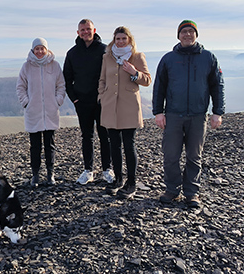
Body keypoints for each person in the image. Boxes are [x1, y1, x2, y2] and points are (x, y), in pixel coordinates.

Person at [152, 20, 225, 207]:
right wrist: (158, 112)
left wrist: (217, 112)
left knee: (194, 156)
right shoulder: (168, 59)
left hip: (198, 115)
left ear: (196, 35)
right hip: (174, 115)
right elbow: (159, 87)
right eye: (183, 32)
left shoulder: (208, 58)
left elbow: (217, 86)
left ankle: (192, 192)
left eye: (191, 31)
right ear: (178, 36)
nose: (187, 34)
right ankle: (171, 190)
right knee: (170, 155)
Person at [98, 26, 151, 199]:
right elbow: (103, 79)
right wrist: (102, 95)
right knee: (114, 144)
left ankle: (131, 182)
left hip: (129, 107)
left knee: (129, 144)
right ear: (114, 39)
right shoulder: (107, 57)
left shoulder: (137, 56)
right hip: (110, 106)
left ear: (129, 39)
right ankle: (118, 179)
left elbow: (147, 80)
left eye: (123, 38)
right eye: (118, 39)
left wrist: (134, 73)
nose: (120, 41)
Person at [63, 19, 113, 185]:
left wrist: (107, 97)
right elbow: (67, 78)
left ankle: (107, 169)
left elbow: (112, 74)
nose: (85, 32)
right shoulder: (72, 53)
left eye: (88, 29)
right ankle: (88, 170)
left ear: (94, 30)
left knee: (104, 135)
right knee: (87, 136)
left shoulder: (105, 50)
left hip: (102, 101)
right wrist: (74, 99)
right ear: (78, 33)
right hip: (82, 102)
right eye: (82, 30)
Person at [16, 38, 66, 187]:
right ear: (32, 50)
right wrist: (26, 102)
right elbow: (20, 87)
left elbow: (61, 85)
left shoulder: (55, 65)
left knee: (50, 145)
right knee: (35, 146)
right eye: (36, 49)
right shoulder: (26, 67)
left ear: (46, 49)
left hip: (50, 111)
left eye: (42, 48)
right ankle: (35, 175)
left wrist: (58, 100)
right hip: (33, 112)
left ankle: (50, 174)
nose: (39, 51)